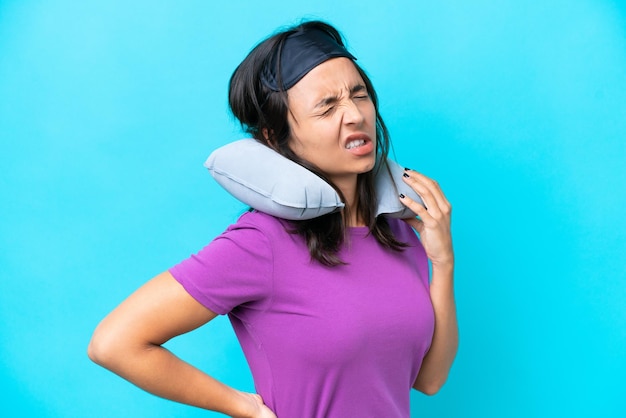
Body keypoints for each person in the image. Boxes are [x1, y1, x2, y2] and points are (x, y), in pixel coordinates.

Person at [88, 20, 458, 418]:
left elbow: (429, 379)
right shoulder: (261, 243)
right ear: (275, 137)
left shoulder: (398, 230)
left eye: (359, 94)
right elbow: (113, 342)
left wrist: (443, 261)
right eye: (327, 107)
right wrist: (242, 406)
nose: (353, 115)